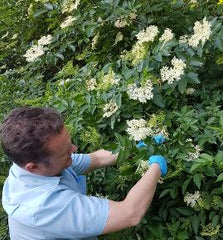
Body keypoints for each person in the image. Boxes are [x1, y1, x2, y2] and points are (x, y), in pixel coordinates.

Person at [0, 106, 167, 240]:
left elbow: (97, 159)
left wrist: (135, 147)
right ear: (33, 167)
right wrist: (156, 167)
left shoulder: (36, 165)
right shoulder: (44, 206)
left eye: (69, 144)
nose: (74, 150)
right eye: (65, 152)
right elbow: (130, 213)